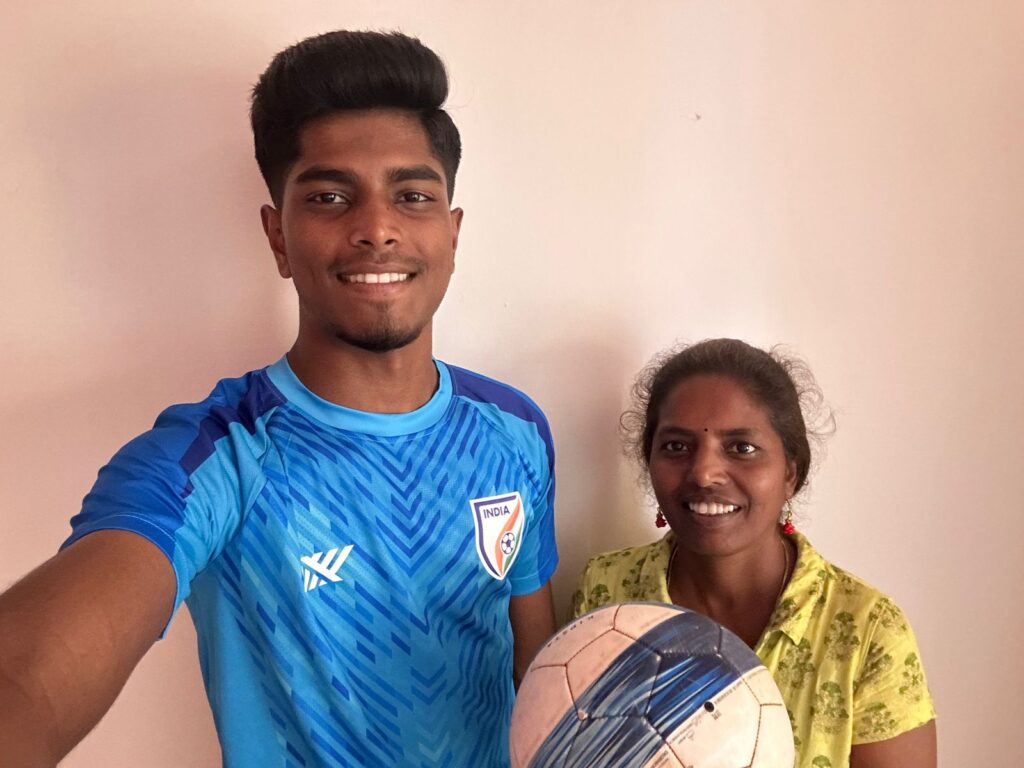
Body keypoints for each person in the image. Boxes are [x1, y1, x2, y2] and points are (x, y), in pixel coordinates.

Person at [0, 30, 557, 768]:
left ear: (451, 234)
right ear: (278, 238)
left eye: (413, 196)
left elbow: (542, 673)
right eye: (329, 197)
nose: (377, 228)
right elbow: (26, 681)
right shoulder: (213, 457)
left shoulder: (515, 429)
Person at [572, 338, 935, 768]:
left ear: (790, 474)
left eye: (741, 447)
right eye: (676, 446)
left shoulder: (865, 631)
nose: (704, 473)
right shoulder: (608, 591)